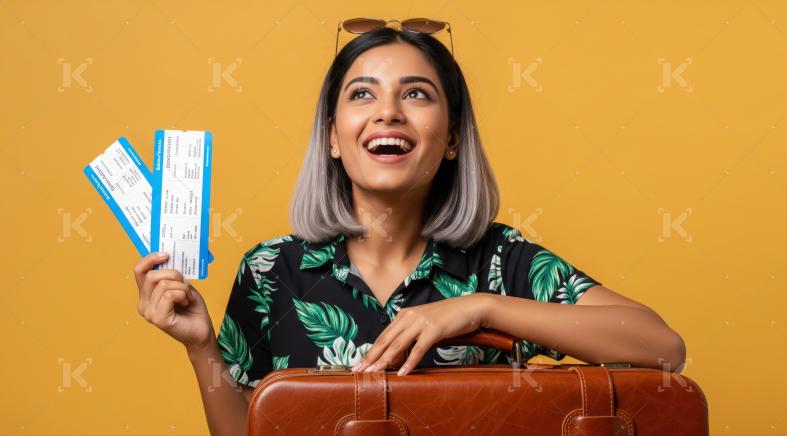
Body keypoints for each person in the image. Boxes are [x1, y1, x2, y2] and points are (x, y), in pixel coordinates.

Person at [133, 25, 686, 436]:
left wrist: (480, 308)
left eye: (416, 93)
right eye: (362, 94)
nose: (388, 112)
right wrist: (201, 347)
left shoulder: (500, 259)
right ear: (333, 136)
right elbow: (246, 432)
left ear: (453, 138)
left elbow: (662, 347)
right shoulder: (271, 269)